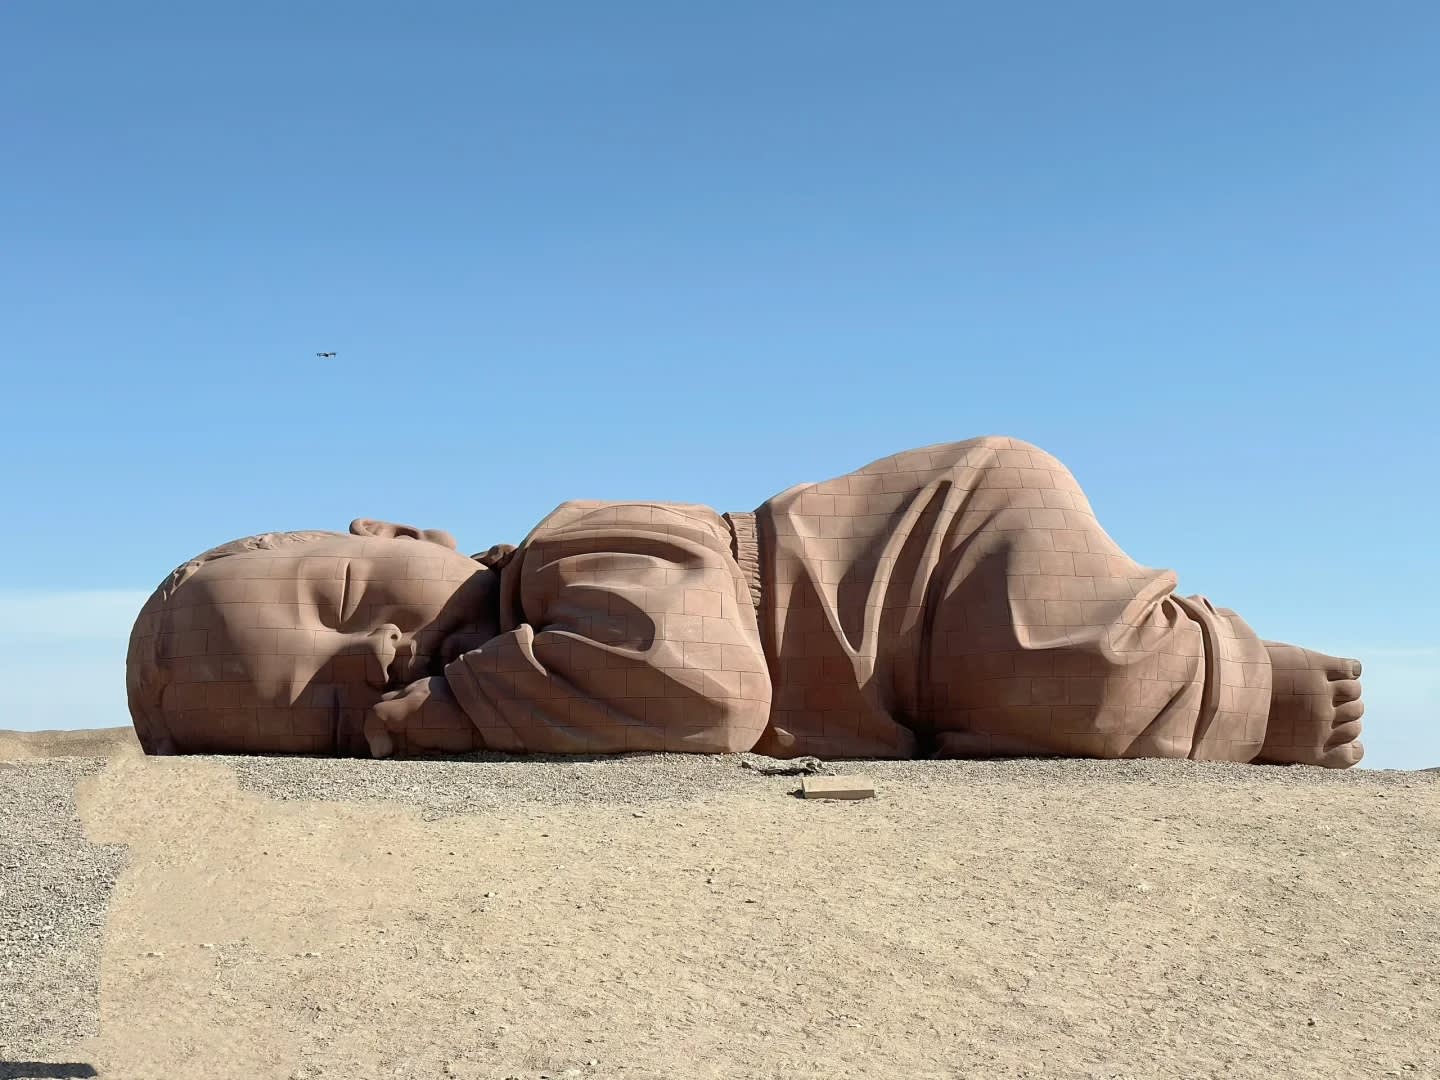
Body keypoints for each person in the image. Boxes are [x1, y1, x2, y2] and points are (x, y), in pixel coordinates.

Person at [126, 437, 1365, 767]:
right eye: (338, 705)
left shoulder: (573, 550)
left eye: (347, 596)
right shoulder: (535, 662)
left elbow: (702, 690)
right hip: (905, 681)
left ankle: (1258, 686)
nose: (389, 646)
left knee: (1083, 680)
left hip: (942, 558)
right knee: (1035, 721)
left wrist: (433, 717)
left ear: (398, 533)